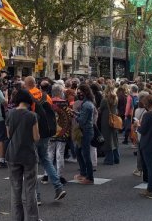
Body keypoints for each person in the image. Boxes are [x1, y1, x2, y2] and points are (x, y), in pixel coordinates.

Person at [24, 76, 66, 204]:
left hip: (34, 132)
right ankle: (58, 188)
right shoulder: (44, 95)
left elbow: (27, 116)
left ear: (26, 84)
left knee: (31, 164)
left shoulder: (27, 96)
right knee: (46, 159)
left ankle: (36, 196)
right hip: (47, 132)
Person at [6, 89, 40, 221]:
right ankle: (32, 218)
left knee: (15, 189)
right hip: (29, 155)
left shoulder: (10, 114)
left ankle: (17, 218)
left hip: (13, 154)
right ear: (28, 101)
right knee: (30, 189)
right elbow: (36, 137)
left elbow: (8, 135)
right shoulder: (32, 116)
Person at [74, 84, 95, 185]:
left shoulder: (86, 105)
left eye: (80, 92)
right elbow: (83, 116)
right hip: (85, 130)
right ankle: (83, 173)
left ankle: (90, 177)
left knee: (85, 154)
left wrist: (75, 117)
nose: (78, 94)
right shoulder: (87, 103)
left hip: (85, 131)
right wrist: (75, 113)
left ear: (85, 92)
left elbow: (82, 120)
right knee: (78, 151)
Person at [99, 83, 120, 165]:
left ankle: (109, 159)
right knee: (114, 138)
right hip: (114, 119)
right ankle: (116, 158)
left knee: (107, 139)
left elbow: (100, 109)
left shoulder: (105, 100)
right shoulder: (116, 98)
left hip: (106, 120)